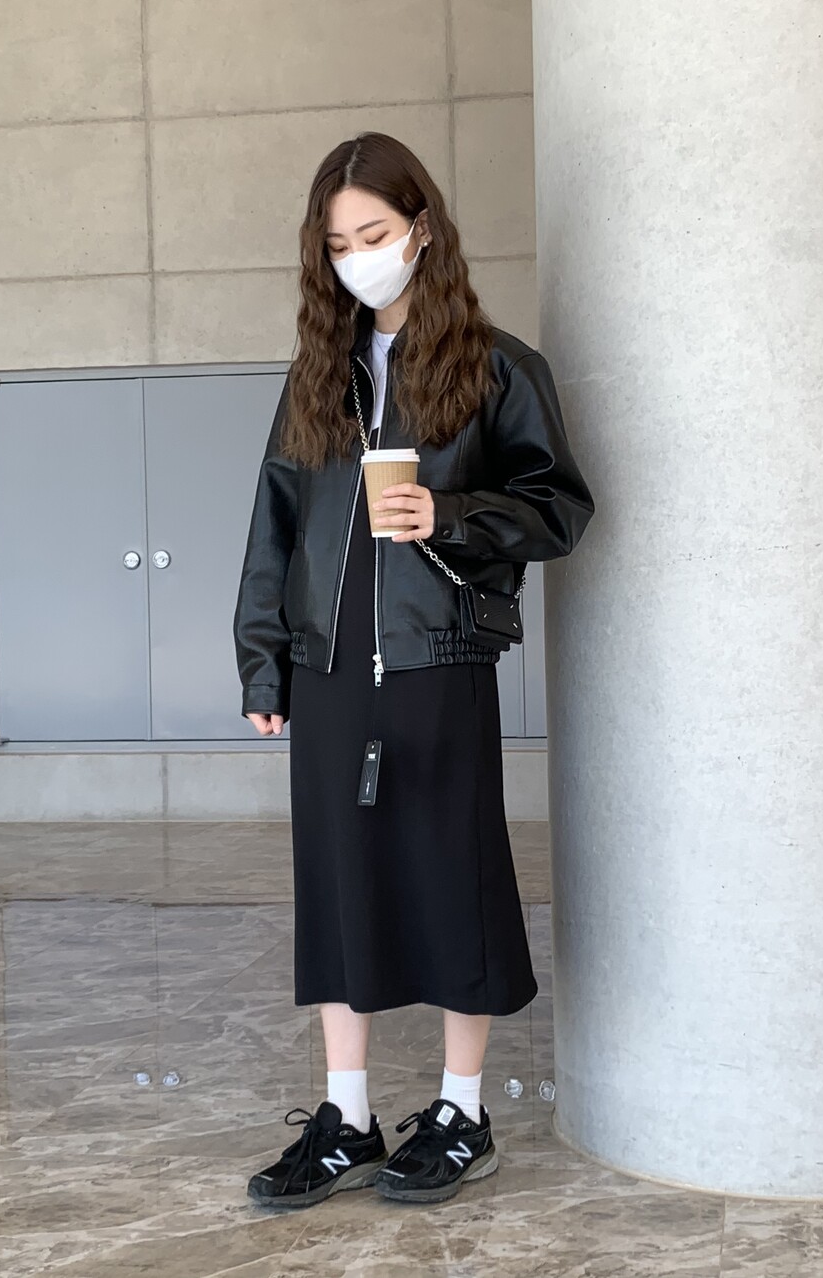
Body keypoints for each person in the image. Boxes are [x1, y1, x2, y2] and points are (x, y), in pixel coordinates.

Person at [233, 131, 593, 1209]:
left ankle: (461, 1111)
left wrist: (451, 512)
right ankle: (346, 1116)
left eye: (375, 233)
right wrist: (264, 664)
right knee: (338, 878)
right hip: (330, 666)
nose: (357, 257)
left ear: (422, 228)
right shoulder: (318, 377)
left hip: (438, 656)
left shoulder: (496, 368)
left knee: (449, 869)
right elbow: (273, 527)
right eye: (338, 243)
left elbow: (559, 506)